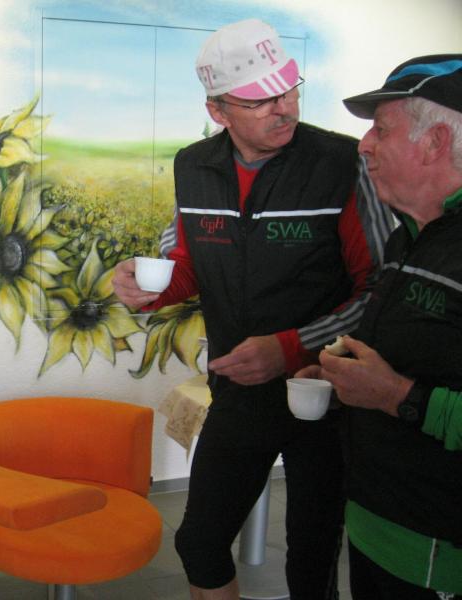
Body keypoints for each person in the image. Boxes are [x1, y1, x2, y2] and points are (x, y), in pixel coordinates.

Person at [112, 18, 393, 600]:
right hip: (240, 390)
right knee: (199, 542)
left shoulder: (342, 162)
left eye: (289, 89)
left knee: (313, 557)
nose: (283, 107)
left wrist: (291, 347)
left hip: (328, 393)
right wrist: (149, 289)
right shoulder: (194, 166)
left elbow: (378, 289)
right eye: (261, 99)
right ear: (218, 111)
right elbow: (186, 261)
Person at [296, 54, 462, 599]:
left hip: (438, 556)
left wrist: (397, 396)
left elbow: (404, 388)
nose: (364, 145)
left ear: (435, 141)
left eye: (381, 130)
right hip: (374, 525)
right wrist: (342, 377)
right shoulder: (406, 236)